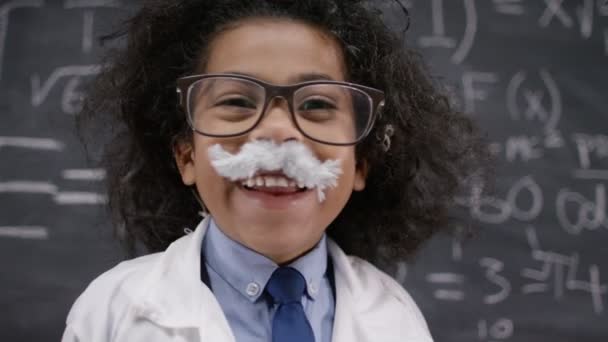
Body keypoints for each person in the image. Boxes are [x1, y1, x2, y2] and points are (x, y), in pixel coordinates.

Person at [62, 0, 490, 341]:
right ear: (186, 155)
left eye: (317, 105)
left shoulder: (396, 321)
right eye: (237, 102)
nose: (278, 132)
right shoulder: (112, 314)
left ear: (361, 162)